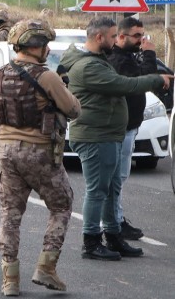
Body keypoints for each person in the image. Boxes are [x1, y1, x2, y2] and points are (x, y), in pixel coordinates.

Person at [60, 17, 172, 261]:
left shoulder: (97, 61)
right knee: (98, 190)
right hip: (95, 135)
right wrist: (155, 79)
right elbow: (122, 84)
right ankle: (91, 241)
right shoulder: (88, 66)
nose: (116, 40)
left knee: (111, 188)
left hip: (108, 134)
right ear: (99, 37)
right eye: (113, 36)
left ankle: (113, 236)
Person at [0, 19, 81, 296]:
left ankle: (10, 279)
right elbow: (73, 110)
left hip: (6, 151)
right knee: (62, 206)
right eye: (44, 45)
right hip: (40, 151)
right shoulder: (47, 76)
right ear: (35, 47)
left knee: (10, 215)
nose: (47, 49)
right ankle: (46, 267)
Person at [107, 17, 158, 241]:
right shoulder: (119, 59)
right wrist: (149, 54)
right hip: (121, 127)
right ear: (121, 36)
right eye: (136, 36)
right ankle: (113, 223)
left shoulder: (126, 56)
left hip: (130, 126)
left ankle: (115, 220)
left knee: (119, 177)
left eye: (142, 35)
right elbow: (144, 80)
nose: (141, 40)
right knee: (116, 178)